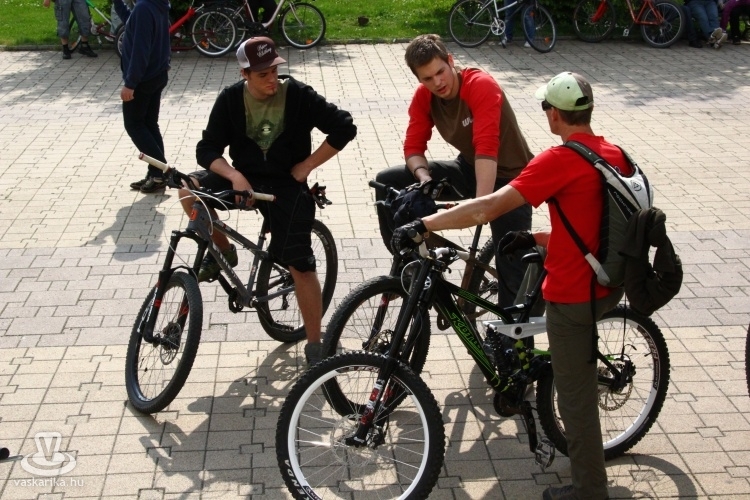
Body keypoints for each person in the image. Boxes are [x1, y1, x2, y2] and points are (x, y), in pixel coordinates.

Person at [392, 72, 628, 500]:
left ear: (554, 115)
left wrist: (426, 223)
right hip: (610, 279)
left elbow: (488, 207)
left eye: (545, 108)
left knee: (574, 401)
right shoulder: (614, 153)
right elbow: (596, 221)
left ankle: (590, 491)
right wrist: (540, 238)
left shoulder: (558, 160)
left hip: (574, 293)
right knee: (527, 318)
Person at [178, 37, 356, 365]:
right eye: (263, 74)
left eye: (274, 70)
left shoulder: (298, 94)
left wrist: (307, 166)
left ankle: (315, 345)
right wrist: (234, 176)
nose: (272, 78)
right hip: (244, 179)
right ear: (244, 74)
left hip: (287, 185)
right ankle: (224, 253)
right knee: (189, 190)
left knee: (300, 263)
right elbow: (207, 149)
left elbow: (344, 127)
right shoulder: (230, 99)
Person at [374, 33, 533, 308]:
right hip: (470, 167)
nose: (437, 83)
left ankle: (515, 332)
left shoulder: (480, 85)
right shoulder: (425, 96)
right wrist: (423, 177)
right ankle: (411, 266)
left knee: (511, 263)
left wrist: (482, 206)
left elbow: (486, 147)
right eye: (427, 78)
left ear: (450, 60)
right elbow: (413, 146)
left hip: (512, 177)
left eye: (440, 72)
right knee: (388, 182)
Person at [120, 0, 171, 193]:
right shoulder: (154, 4)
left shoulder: (143, 8)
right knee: (149, 124)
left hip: (143, 79)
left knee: (134, 125)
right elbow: (130, 21)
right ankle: (155, 174)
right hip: (157, 73)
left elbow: (140, 50)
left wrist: (130, 84)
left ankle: (161, 171)